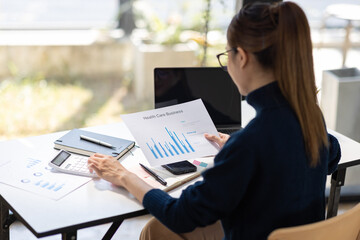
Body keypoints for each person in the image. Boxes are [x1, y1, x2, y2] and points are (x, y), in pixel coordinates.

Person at [87, 2, 341, 239]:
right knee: (155, 230)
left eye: (226, 55)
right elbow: (331, 155)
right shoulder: (309, 114)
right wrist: (243, 155)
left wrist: (123, 176)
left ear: (242, 57)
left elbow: (181, 215)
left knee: (157, 229)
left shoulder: (251, 143)